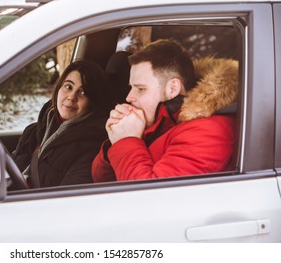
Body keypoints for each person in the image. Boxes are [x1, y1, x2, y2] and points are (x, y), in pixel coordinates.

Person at [92, 39, 238, 182]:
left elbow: (151, 198)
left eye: (140, 89)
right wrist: (115, 141)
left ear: (172, 88)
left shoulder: (208, 132)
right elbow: (102, 181)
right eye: (131, 87)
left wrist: (126, 141)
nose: (129, 97)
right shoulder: (159, 123)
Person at [13, 60, 113, 188]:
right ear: (59, 87)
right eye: (68, 87)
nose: (71, 97)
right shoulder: (34, 131)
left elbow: (65, 202)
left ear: (93, 101)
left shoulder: (92, 148)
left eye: (83, 92)